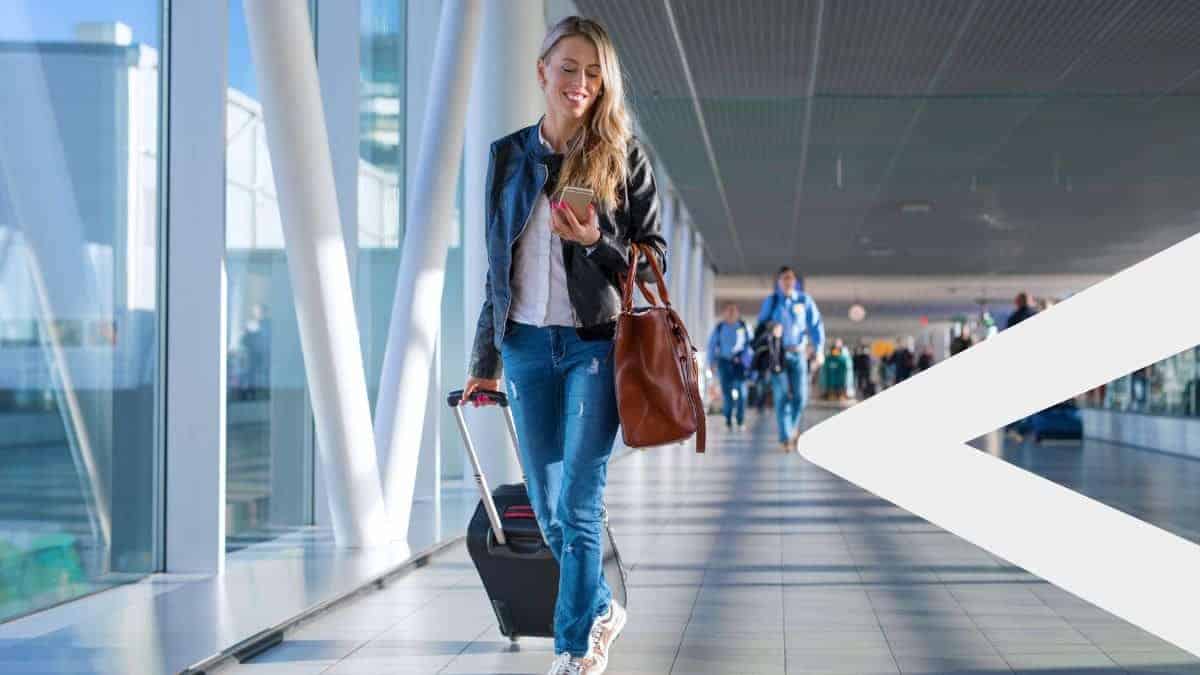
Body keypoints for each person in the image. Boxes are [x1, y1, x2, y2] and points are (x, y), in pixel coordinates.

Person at [460, 16, 666, 675]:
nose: (581, 82)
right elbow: (497, 269)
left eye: (594, 72)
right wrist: (483, 364)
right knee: (550, 509)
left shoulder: (621, 156)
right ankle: (603, 604)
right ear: (542, 71)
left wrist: (594, 243)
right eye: (569, 67)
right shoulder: (507, 156)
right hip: (523, 348)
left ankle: (576, 648)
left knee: (580, 500)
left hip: (595, 347)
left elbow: (651, 257)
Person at [756, 266, 824, 449]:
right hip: (778, 355)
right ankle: (785, 437)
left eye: (791, 278)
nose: (788, 282)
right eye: (784, 278)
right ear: (779, 282)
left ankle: (792, 428)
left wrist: (819, 349)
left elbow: (816, 325)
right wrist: (772, 327)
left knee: (800, 397)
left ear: (795, 282)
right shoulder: (772, 301)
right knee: (782, 395)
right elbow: (761, 325)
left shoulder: (804, 300)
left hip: (798, 354)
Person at [706, 303, 752, 430]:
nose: (731, 313)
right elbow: (712, 346)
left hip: (740, 364)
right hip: (724, 362)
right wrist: (711, 363)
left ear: (737, 313)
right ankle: (728, 420)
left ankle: (740, 420)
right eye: (728, 311)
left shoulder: (744, 326)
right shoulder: (720, 328)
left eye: (733, 310)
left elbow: (750, 346)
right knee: (727, 394)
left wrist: (748, 362)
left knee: (742, 393)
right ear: (724, 313)